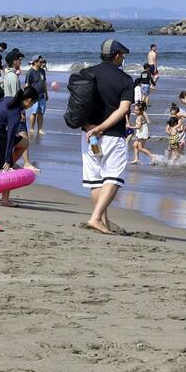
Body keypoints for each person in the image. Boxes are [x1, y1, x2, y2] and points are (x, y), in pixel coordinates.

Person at [82, 39, 135, 234]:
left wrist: (90, 126)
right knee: (112, 177)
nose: (123, 58)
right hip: (112, 134)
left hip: (88, 135)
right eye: (123, 55)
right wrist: (102, 127)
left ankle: (102, 220)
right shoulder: (125, 80)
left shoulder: (86, 73)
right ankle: (96, 218)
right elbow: (124, 109)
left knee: (95, 179)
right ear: (117, 55)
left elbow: (77, 106)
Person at [0, 87, 39, 206]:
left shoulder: (9, 99)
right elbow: (10, 136)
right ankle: (5, 200)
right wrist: (8, 158)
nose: (31, 106)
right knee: (6, 168)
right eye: (32, 103)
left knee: (24, 142)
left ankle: (11, 163)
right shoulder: (15, 112)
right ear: (28, 100)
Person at [24, 56, 48, 135]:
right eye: (40, 62)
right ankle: (31, 128)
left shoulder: (42, 71)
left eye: (42, 62)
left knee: (41, 112)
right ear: (35, 62)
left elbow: (44, 83)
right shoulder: (30, 72)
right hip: (33, 96)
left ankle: (40, 129)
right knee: (34, 112)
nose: (42, 63)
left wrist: (46, 93)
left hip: (41, 95)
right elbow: (27, 85)